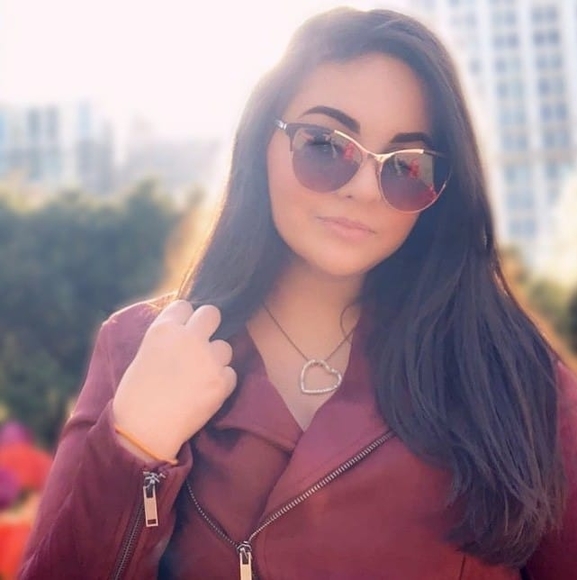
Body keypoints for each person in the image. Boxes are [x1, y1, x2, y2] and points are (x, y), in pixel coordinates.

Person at [20, 7, 577, 580]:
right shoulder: (140, 347)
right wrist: (135, 448)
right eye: (326, 145)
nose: (365, 189)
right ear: (263, 139)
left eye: (407, 166)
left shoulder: (509, 371)